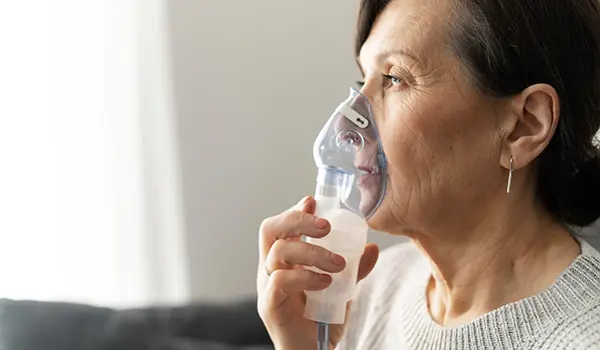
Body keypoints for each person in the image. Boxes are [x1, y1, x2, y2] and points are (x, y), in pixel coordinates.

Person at [256, 0, 600, 348]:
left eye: (394, 78)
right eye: (364, 79)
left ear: (524, 126)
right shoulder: (375, 290)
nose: (346, 122)